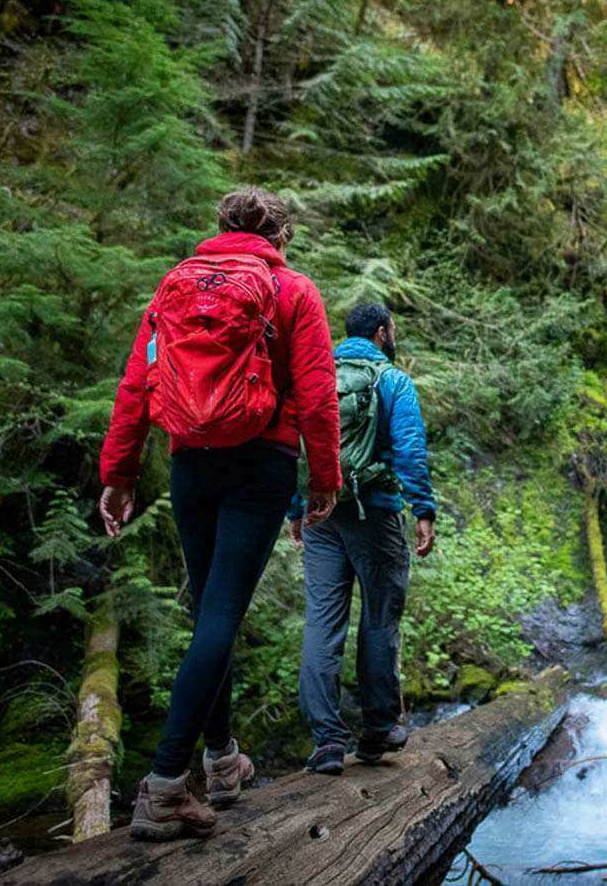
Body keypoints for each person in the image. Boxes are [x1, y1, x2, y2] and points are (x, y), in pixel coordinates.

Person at [97, 186, 340, 841]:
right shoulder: (292, 291)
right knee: (222, 613)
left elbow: (135, 380)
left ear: (220, 229)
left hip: (191, 462)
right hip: (262, 462)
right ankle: (167, 785)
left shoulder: (176, 286)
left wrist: (119, 472)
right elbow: (317, 393)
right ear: (280, 238)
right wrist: (325, 478)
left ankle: (223, 761)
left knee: (211, 608)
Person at [293, 303, 436, 775]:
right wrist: (423, 509)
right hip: (373, 512)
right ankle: (377, 729)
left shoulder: (317, 375)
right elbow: (411, 447)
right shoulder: (392, 380)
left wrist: (296, 510)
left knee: (322, 621)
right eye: (392, 330)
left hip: (321, 515)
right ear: (381, 333)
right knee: (379, 616)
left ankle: (328, 743)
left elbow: (297, 444)